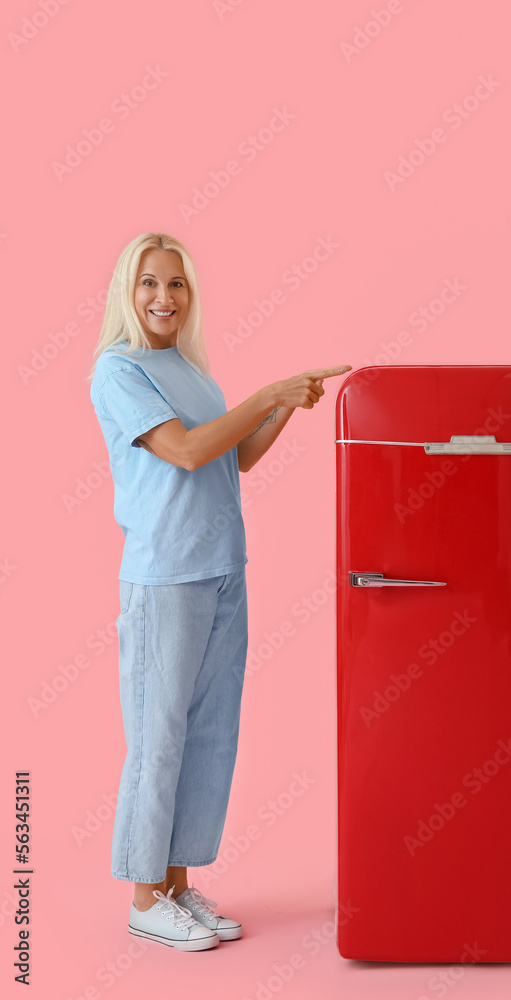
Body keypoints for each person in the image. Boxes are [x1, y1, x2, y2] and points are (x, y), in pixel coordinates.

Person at [86, 231, 351, 951]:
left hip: (221, 567)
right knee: (157, 737)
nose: (163, 298)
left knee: (206, 737)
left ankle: (175, 885)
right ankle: (144, 897)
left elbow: (232, 459)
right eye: (148, 283)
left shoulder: (191, 372)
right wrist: (266, 391)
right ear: (126, 291)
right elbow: (184, 450)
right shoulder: (117, 370)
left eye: (176, 285)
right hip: (164, 575)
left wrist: (284, 407)